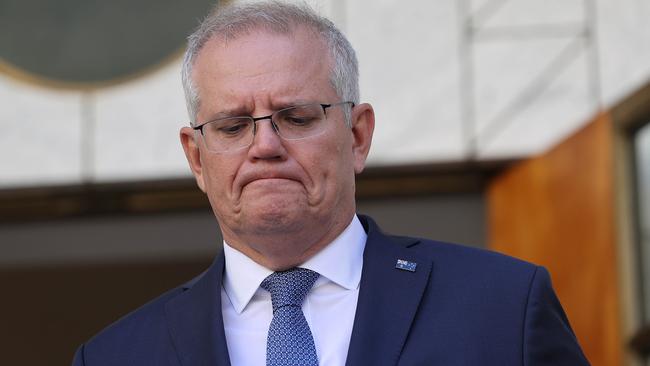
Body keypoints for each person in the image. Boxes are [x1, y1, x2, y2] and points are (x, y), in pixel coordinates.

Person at [72, 1, 589, 365]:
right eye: (232, 126)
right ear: (197, 159)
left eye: (296, 117)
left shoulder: (502, 305)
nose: (265, 145)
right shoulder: (115, 356)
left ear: (358, 135)